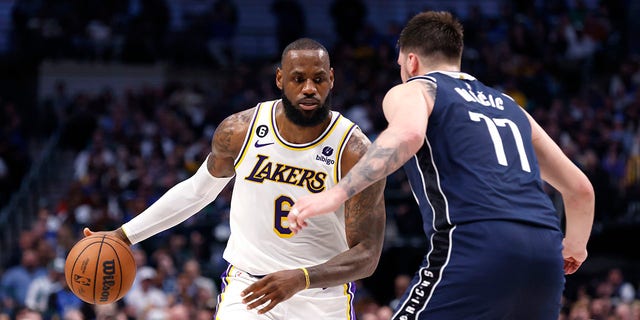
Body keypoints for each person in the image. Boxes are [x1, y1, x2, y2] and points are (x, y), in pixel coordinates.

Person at [289, 11, 595, 320]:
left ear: (411, 62)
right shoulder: (510, 106)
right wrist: (575, 247)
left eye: (400, 66)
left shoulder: (418, 88)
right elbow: (580, 189)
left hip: (478, 242)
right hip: (545, 254)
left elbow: (407, 134)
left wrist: (334, 194)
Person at [84, 37, 386, 319]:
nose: (309, 88)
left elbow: (368, 255)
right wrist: (124, 235)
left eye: (318, 79)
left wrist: (302, 277)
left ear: (331, 79)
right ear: (280, 79)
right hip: (248, 289)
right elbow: (197, 192)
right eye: (298, 78)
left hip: (320, 297)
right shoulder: (240, 131)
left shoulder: (355, 152)